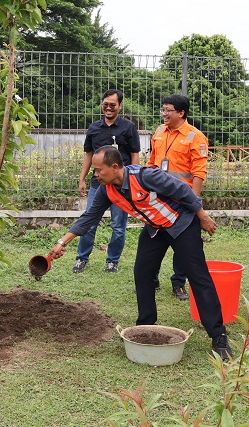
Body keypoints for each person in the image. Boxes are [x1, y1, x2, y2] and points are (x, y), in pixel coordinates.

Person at [50, 146, 232, 359]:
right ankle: (145, 326)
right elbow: (89, 217)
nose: (96, 175)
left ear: (115, 167)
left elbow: (183, 190)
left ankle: (218, 335)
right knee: (142, 273)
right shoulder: (105, 190)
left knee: (198, 277)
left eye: (99, 170)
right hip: (155, 229)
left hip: (182, 224)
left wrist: (202, 216)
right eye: (94, 171)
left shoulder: (146, 176)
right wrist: (63, 242)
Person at [147, 94, 209, 302]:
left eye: (168, 110)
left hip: (182, 200)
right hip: (158, 199)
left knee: (183, 243)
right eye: (162, 109)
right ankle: (151, 277)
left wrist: (194, 202)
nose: (164, 114)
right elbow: (152, 163)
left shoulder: (195, 136)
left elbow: (199, 172)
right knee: (153, 238)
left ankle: (178, 283)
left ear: (181, 113)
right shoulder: (158, 132)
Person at [73, 89, 140, 274]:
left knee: (118, 226)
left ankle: (112, 261)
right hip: (98, 184)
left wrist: (133, 180)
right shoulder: (94, 128)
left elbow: (135, 155)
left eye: (112, 105)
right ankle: (81, 258)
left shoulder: (128, 128)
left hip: (121, 186)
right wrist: (82, 179)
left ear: (119, 106)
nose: (108, 108)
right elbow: (88, 155)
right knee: (90, 222)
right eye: (105, 104)